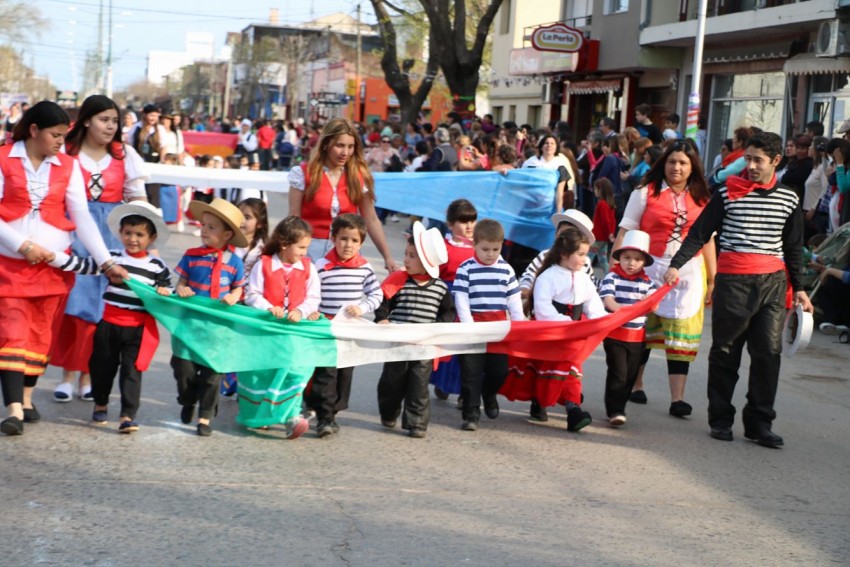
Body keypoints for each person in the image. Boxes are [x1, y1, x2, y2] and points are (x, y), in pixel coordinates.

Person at [663, 131, 813, 448]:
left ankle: (759, 423)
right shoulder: (727, 194)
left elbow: (794, 247)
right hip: (733, 283)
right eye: (748, 159)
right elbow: (699, 233)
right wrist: (676, 264)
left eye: (758, 160)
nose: (752, 165)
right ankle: (720, 419)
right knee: (725, 353)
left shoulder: (789, 198)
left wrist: (799, 288)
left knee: (768, 356)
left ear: (776, 161)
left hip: (772, 285)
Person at [0, 100, 128, 436]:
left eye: (63, 135)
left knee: (40, 336)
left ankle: (26, 399)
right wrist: (22, 245)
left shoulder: (67, 166)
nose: (61, 142)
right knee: (12, 332)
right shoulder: (2, 159)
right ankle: (12, 409)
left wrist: (106, 261)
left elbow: (81, 216)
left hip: (54, 269)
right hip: (10, 266)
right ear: (33, 130)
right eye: (55, 135)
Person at [50, 94, 149, 404]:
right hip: (73, 230)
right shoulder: (67, 152)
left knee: (103, 306)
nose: (111, 126)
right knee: (73, 303)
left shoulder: (125, 154)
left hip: (112, 233)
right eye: (104, 119)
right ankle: (67, 374)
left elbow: (138, 197)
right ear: (87, 120)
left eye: (115, 121)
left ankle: (88, 377)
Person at [613, 141, 716, 417]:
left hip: (690, 271)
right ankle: (636, 385)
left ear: (693, 166)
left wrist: (713, 279)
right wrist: (615, 265)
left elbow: (707, 241)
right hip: (649, 268)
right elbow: (626, 230)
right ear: (663, 164)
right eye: (672, 162)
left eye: (683, 162)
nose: (676, 168)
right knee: (643, 329)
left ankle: (677, 398)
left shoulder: (704, 197)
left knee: (681, 334)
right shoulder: (645, 193)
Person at [50, 202, 172, 433]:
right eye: (127, 233)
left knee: (132, 373)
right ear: (120, 234)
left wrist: (166, 292)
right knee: (102, 368)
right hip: (108, 324)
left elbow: (167, 291)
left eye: (139, 234)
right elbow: (85, 266)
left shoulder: (157, 266)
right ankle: (101, 403)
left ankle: (127, 415)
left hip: (137, 328)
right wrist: (54, 258)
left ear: (152, 238)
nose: (132, 239)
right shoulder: (112, 258)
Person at [504, 226, 604, 432]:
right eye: (581, 254)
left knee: (572, 371)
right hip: (553, 333)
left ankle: (573, 410)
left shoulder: (584, 278)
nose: (585, 260)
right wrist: (567, 324)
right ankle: (540, 403)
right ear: (565, 254)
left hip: (575, 335)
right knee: (545, 369)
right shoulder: (547, 277)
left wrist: (598, 322)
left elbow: (593, 304)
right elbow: (542, 309)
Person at [169, 198, 248, 437]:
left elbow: (238, 287)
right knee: (184, 370)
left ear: (227, 235)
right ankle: (187, 399)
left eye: (212, 227)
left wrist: (235, 296)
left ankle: (205, 417)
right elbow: (180, 282)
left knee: (213, 376)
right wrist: (181, 288)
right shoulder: (191, 256)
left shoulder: (234, 262)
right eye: (203, 225)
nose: (204, 230)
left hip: (218, 330)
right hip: (190, 327)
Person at [240, 216, 320, 439]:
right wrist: (268, 308)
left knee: (296, 370)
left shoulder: (308, 268)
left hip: (294, 331)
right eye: (301, 247)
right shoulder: (263, 264)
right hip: (267, 331)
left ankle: (291, 417)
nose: (305, 252)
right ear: (285, 244)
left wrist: (301, 311)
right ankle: (261, 416)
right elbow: (252, 294)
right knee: (264, 372)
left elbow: (313, 297)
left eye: (306, 247)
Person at [306, 213, 383, 437]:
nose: (348, 245)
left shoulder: (364, 268)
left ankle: (332, 411)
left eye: (354, 240)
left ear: (361, 243)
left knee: (344, 373)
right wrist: (312, 311)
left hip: (349, 330)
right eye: (343, 239)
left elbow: (376, 295)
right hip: (325, 329)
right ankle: (325, 417)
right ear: (333, 239)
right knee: (326, 372)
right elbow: (311, 293)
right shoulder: (321, 266)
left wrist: (362, 307)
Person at [376, 223, 455, 439]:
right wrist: (382, 318)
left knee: (418, 387)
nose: (406, 259)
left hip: (423, 348)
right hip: (399, 346)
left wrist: (439, 326)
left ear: (427, 261)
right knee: (392, 383)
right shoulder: (399, 281)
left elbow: (449, 312)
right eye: (406, 254)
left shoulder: (440, 288)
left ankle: (416, 423)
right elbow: (382, 303)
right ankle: (389, 412)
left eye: (412, 256)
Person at [288, 117, 398, 271]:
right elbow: (294, 218)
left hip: (347, 252)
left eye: (350, 147)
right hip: (309, 251)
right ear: (326, 144)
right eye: (339, 146)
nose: (345, 153)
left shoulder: (358, 177)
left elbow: (371, 219)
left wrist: (387, 256)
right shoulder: (303, 174)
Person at [453, 219, 525, 432]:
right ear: (474, 244)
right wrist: (468, 326)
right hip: (473, 328)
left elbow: (513, 300)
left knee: (499, 372)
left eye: (496, 248)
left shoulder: (506, 270)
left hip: (498, 331)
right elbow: (461, 298)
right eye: (485, 249)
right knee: (471, 373)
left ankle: (489, 394)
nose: (490, 253)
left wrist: (519, 324)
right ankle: (471, 414)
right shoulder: (466, 269)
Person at [599, 230, 657, 427]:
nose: (631, 263)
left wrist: (647, 302)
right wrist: (625, 311)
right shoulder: (612, 278)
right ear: (619, 258)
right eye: (627, 258)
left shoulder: (648, 283)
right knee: (618, 373)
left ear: (644, 263)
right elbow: (608, 301)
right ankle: (615, 409)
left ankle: (618, 406)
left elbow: (653, 304)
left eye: (637, 259)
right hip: (615, 334)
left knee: (630, 377)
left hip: (637, 338)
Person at [127, 104, 166, 207]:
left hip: (154, 164)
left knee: (153, 191)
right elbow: (129, 143)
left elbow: (163, 147)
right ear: (145, 115)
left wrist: (162, 161)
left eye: (156, 116)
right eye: (151, 115)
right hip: (138, 164)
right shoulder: (136, 127)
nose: (154, 118)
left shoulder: (160, 129)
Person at [591, 177, 617, 274]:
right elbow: (612, 221)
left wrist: (609, 233)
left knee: (588, 258)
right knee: (602, 259)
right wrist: (610, 233)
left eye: (595, 189)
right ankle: (608, 276)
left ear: (600, 190)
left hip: (598, 237)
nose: (594, 191)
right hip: (604, 238)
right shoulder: (610, 204)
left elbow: (605, 221)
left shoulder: (602, 204)